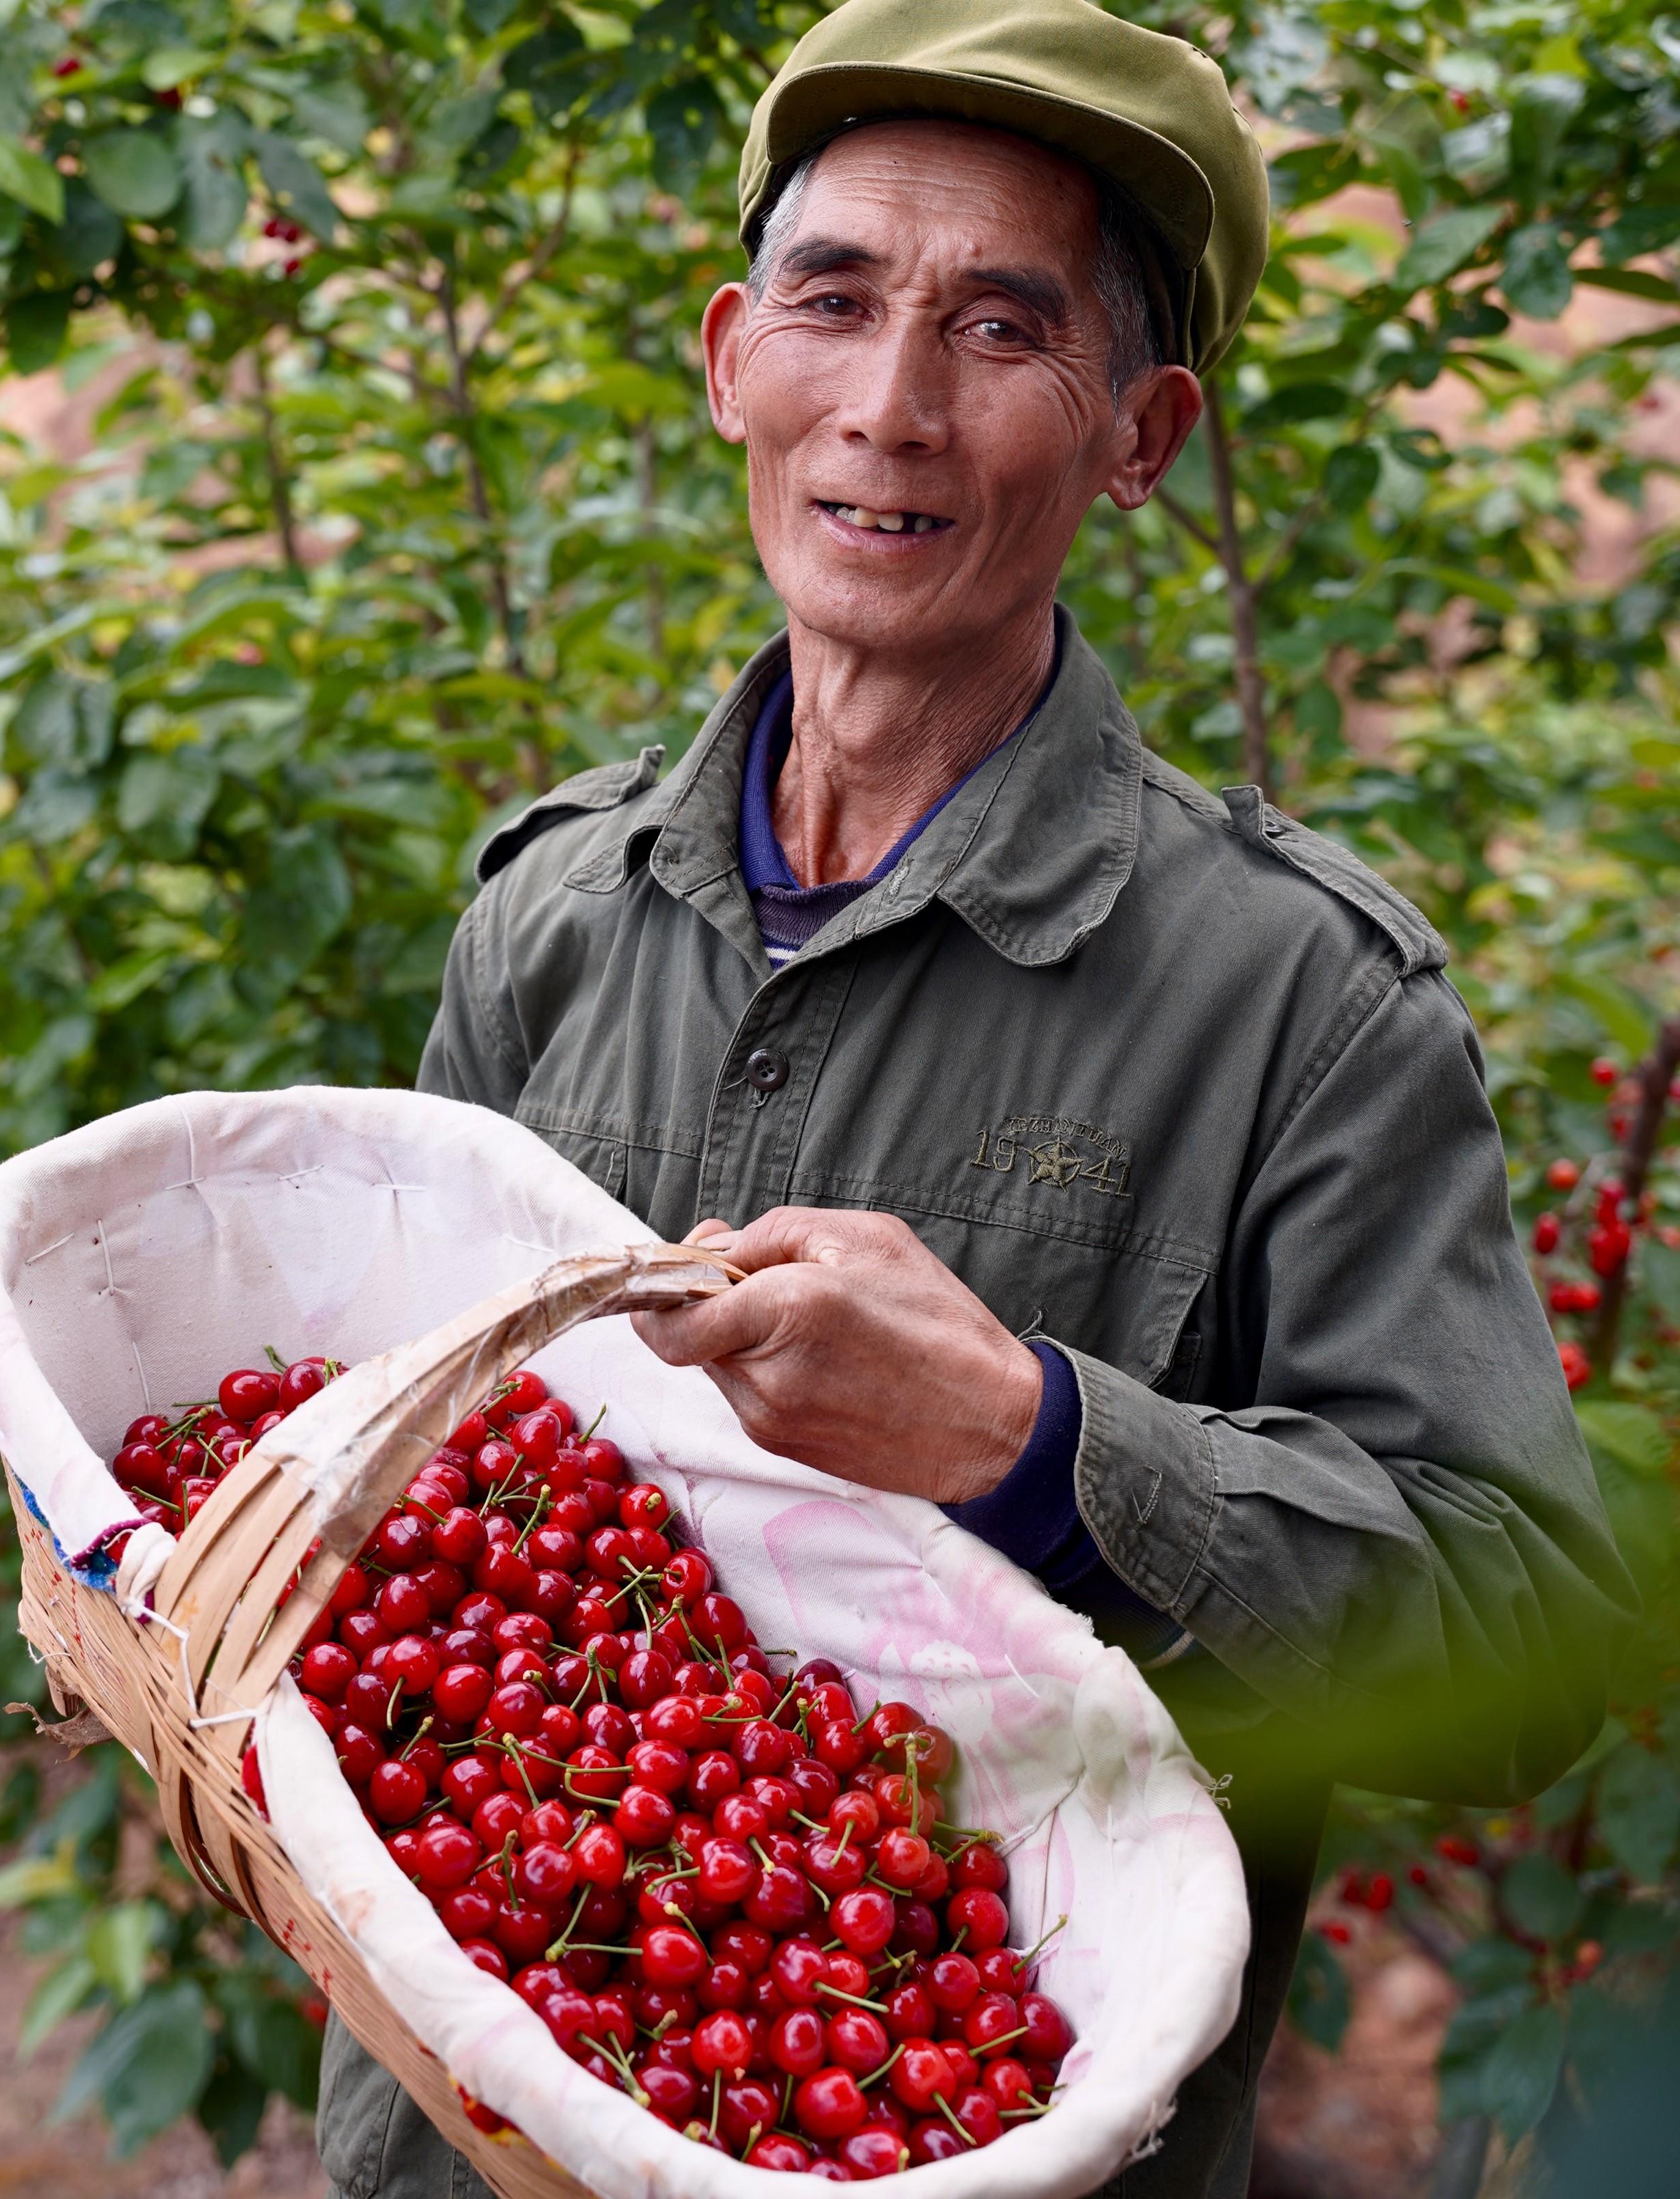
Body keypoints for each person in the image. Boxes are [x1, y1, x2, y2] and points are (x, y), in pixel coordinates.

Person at [315, 0, 1636, 2191]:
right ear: (735, 354)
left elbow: (1530, 1653)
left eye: (1003, 331)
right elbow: (405, 1501)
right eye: (835, 302)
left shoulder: (1302, 1002)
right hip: (464, 2133)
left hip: (951, 2122)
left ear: (1141, 435)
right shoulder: (554, 915)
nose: (893, 407)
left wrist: (1043, 1440)